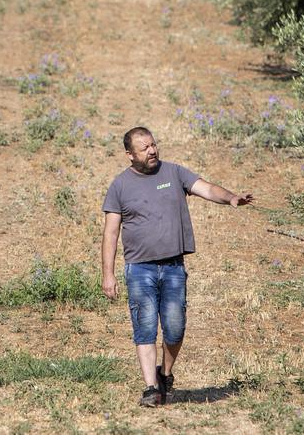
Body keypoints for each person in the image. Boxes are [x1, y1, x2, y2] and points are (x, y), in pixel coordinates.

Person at [101, 126, 253, 407]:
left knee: (175, 329)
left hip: (173, 267)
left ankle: (165, 374)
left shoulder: (173, 173)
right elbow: (110, 233)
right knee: (144, 327)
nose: (152, 150)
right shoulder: (120, 186)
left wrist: (231, 197)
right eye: (144, 147)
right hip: (139, 268)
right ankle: (150, 388)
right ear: (129, 155)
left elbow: (205, 188)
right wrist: (108, 274)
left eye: (153, 145)